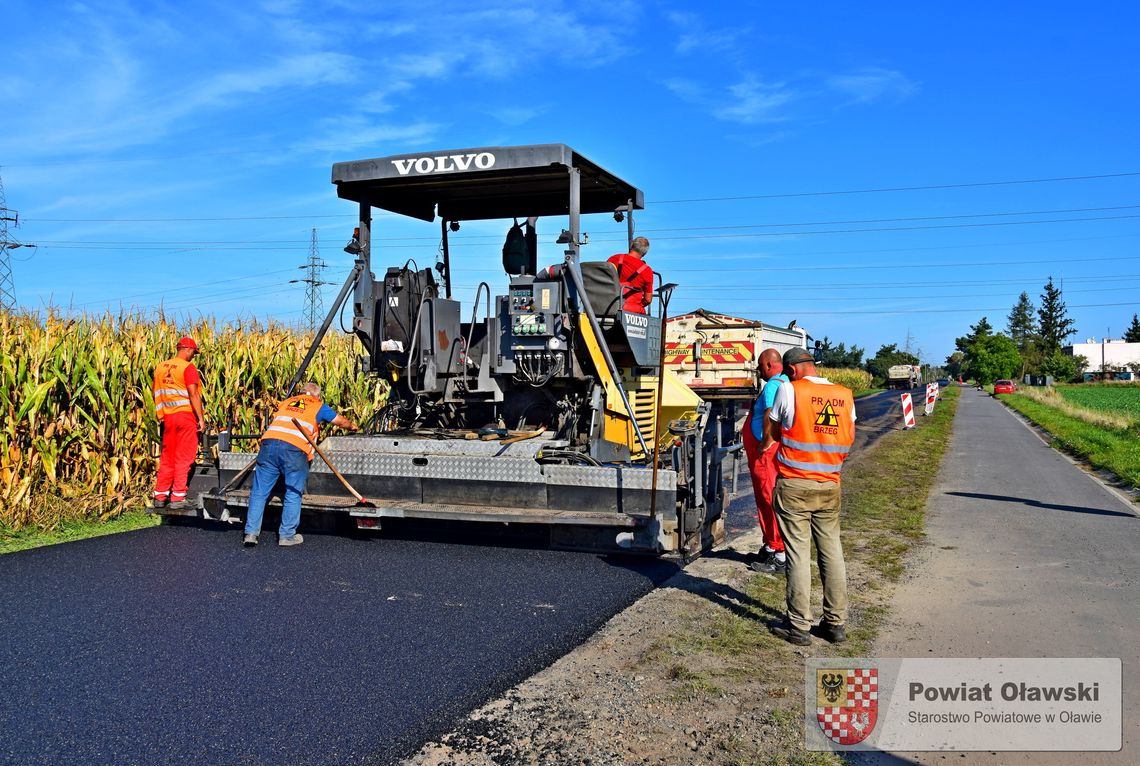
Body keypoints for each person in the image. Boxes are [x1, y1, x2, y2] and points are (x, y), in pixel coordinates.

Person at [762, 347, 856, 646]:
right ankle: (835, 624)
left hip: (795, 486)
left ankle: (799, 627)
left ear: (790, 370)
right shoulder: (845, 394)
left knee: (798, 555)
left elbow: (775, 432)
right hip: (830, 484)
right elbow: (849, 433)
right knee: (832, 551)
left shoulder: (789, 391)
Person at [243, 382, 360, 547]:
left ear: (302, 393)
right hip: (294, 450)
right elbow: (339, 421)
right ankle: (287, 536)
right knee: (293, 492)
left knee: (259, 492)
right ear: (317, 395)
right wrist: (353, 426)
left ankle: (251, 534)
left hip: (268, 447)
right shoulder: (317, 405)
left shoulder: (287, 402)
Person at [741, 348, 789, 574]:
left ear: (769, 365)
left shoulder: (772, 386)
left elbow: (771, 414)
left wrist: (765, 442)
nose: (759, 371)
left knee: (768, 498)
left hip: (765, 455)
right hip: (767, 453)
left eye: (760, 366)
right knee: (766, 498)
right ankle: (771, 545)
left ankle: (779, 554)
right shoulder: (783, 382)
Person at [152, 336, 206, 509]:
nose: (193, 356)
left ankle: (160, 496)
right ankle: (177, 497)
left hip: (168, 417)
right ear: (188, 350)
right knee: (184, 456)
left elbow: (156, 391)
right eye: (193, 353)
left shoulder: (160, 367)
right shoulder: (187, 367)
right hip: (185, 417)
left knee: (168, 456)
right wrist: (201, 419)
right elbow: (193, 394)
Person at [607, 236, 653, 314]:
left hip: (608, 303)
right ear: (644, 253)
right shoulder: (647, 271)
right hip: (630, 310)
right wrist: (639, 306)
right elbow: (648, 300)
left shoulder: (614, 258)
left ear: (632, 245)